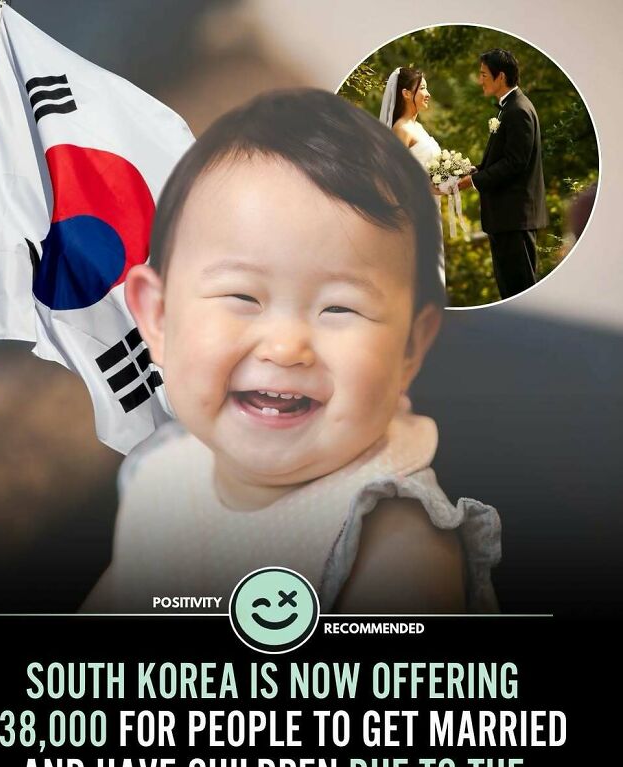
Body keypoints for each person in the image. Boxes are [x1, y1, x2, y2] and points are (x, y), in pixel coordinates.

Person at [82, 89, 500, 614]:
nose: (286, 348)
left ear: (410, 347)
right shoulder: (162, 476)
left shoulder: (396, 545)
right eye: (241, 297)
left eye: (340, 309)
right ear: (159, 319)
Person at [458, 48, 547, 299]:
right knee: (510, 292)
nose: (480, 80)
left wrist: (474, 181)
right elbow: (506, 158)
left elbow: (515, 163)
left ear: (501, 77)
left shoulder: (518, 111)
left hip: (514, 218)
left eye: (484, 74)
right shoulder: (509, 108)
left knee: (520, 293)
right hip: (507, 219)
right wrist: (477, 169)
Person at [380, 67, 446, 282]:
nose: (428, 94)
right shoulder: (401, 130)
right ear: (407, 93)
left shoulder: (418, 128)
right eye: (423, 88)